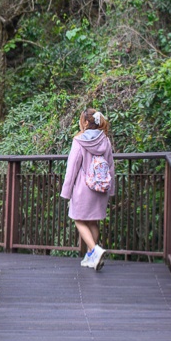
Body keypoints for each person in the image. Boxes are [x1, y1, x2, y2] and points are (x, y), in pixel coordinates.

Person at [59, 108, 115, 271]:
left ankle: (95, 249)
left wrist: (66, 192)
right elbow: (111, 167)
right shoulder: (105, 140)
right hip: (101, 188)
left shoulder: (79, 141)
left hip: (83, 189)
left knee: (78, 218)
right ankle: (91, 257)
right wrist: (111, 190)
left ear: (84, 122)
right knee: (92, 221)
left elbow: (72, 168)